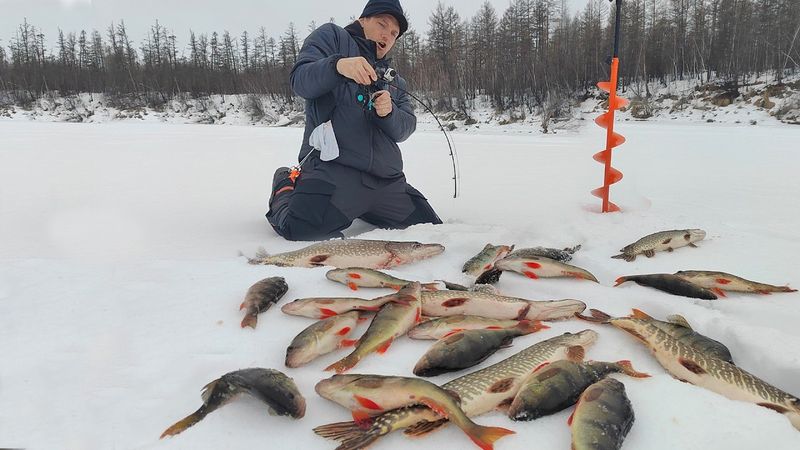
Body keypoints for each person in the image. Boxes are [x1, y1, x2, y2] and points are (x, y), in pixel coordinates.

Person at [265, 0, 442, 241]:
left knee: (431, 230)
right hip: (333, 173)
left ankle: (367, 207)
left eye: (394, 33)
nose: (388, 36)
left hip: (386, 182)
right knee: (300, 229)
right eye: (382, 24)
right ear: (363, 19)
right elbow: (300, 80)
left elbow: (405, 128)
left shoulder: (394, 81)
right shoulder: (332, 37)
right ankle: (285, 183)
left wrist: (388, 113)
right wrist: (338, 66)